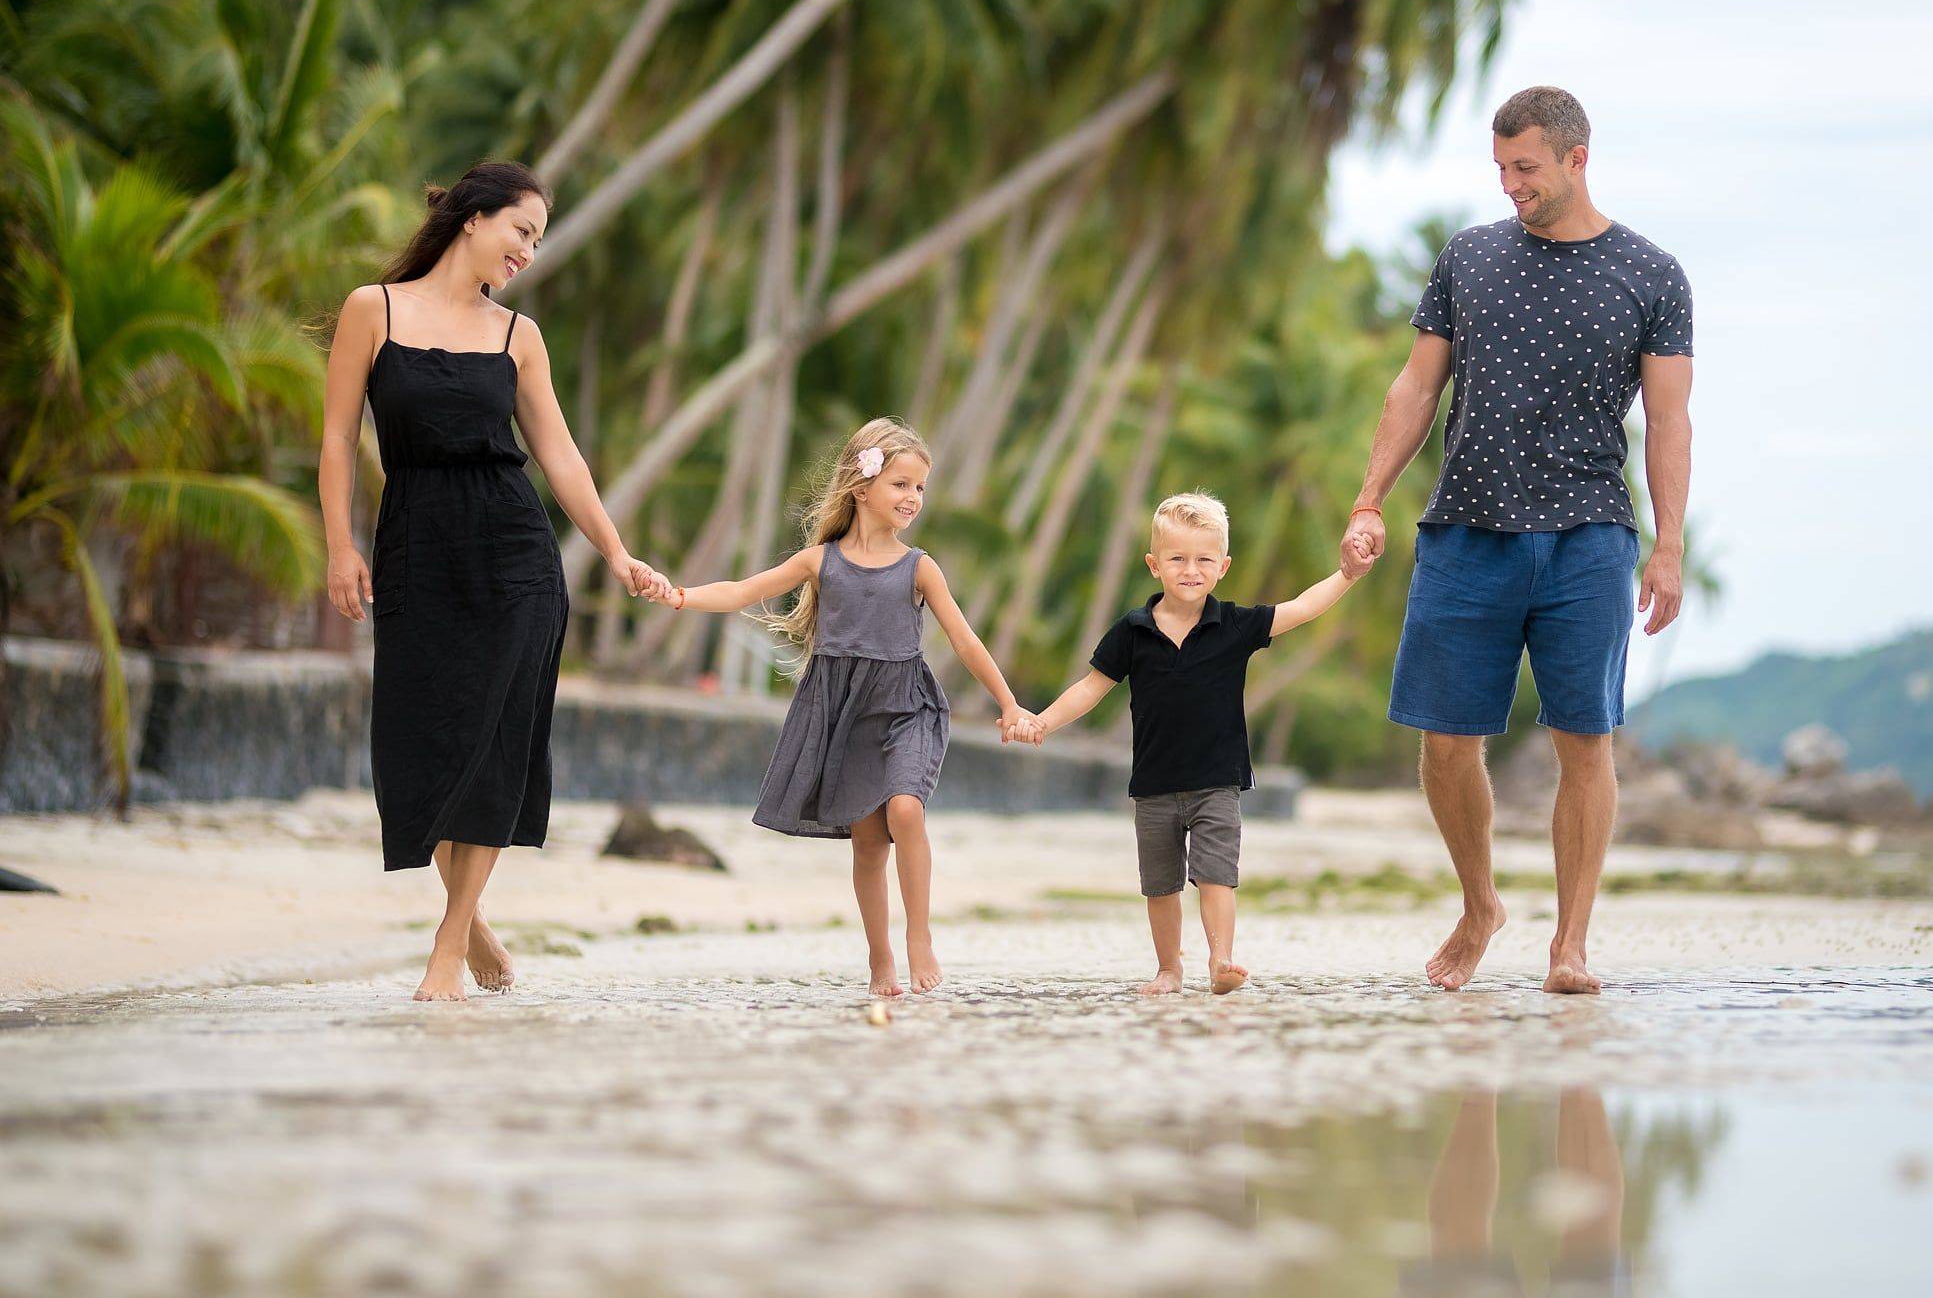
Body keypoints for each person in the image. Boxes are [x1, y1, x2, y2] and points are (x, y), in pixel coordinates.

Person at [1342, 86, 1695, 994]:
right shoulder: (1468, 257)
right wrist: (1369, 499)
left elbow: (1669, 422)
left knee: (1586, 740)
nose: (1510, 185)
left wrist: (1668, 547)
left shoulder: (1652, 275)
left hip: (1588, 536)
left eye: (1525, 168)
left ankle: (1569, 946)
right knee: (1444, 741)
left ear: (1577, 159)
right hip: (1467, 527)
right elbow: (1416, 388)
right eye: (1500, 168)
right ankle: (1480, 904)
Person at [319, 160, 665, 1001]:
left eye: (538, 242)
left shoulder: (519, 337)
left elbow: (561, 456)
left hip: (514, 555)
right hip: (415, 544)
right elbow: (334, 441)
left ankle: (447, 948)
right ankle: (471, 925)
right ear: (473, 217)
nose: (528, 253)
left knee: (493, 746)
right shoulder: (373, 309)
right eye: (522, 231)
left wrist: (615, 551)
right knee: (420, 743)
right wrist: (338, 546)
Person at [646, 417, 1033, 997]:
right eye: (901, 484)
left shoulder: (919, 566)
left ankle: (919, 935)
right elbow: (742, 591)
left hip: (907, 706)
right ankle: (880, 961)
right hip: (843, 713)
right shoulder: (819, 561)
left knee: (906, 809)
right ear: (861, 486)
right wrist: (680, 595)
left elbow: (965, 640)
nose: (913, 497)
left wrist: (1009, 704)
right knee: (869, 844)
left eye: (920, 487)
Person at [1014, 492, 1364, 995]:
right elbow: (1091, 687)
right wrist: (1043, 723)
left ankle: (1221, 961)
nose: (1191, 570)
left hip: (1217, 782)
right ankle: (1168, 970)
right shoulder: (1132, 630)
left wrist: (1348, 574)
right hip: (1153, 784)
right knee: (1160, 886)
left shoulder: (1235, 625)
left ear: (1223, 567)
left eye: (1203, 560)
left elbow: (1303, 608)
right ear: (1154, 565)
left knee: (1217, 875)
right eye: (1177, 558)